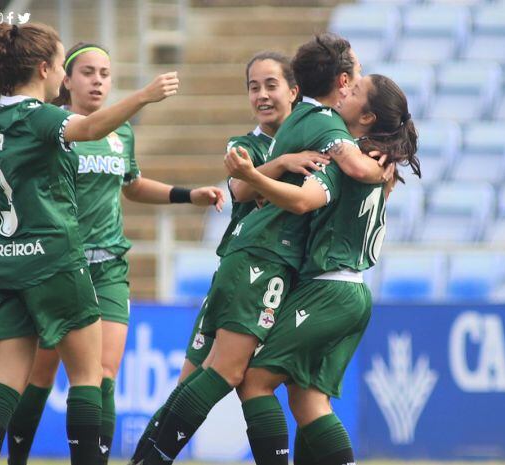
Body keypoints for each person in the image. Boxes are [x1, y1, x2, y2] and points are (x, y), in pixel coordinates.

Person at [132, 32, 393, 465]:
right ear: (341, 81)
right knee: (233, 377)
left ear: (295, 89)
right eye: (253, 86)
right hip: (263, 259)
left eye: (270, 84)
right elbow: (251, 185)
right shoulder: (319, 131)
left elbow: (303, 187)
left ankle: (148, 460)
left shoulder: (312, 127)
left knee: (239, 378)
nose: (261, 94)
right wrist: (384, 162)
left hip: (277, 264)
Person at [0, 42, 224, 465]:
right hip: (61, 266)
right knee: (42, 374)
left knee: (104, 375)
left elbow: (132, 183)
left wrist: (186, 195)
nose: (98, 80)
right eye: (88, 72)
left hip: (109, 268)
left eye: (105, 73)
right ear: (66, 80)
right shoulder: (54, 128)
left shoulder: (121, 132)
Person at [0, 22, 178, 465]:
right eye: (63, 65)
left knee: (7, 377)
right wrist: (142, 97)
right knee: (88, 377)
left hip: (1, 261)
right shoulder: (42, 116)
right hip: (54, 259)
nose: (64, 75)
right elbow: (91, 128)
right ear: (44, 69)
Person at [224, 73, 421, 465]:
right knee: (307, 400)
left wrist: (253, 178)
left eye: (356, 91)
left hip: (328, 288)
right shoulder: (378, 163)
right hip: (353, 292)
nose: (346, 90)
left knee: (255, 383)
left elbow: (301, 200)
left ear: (366, 118)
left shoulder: (346, 159)